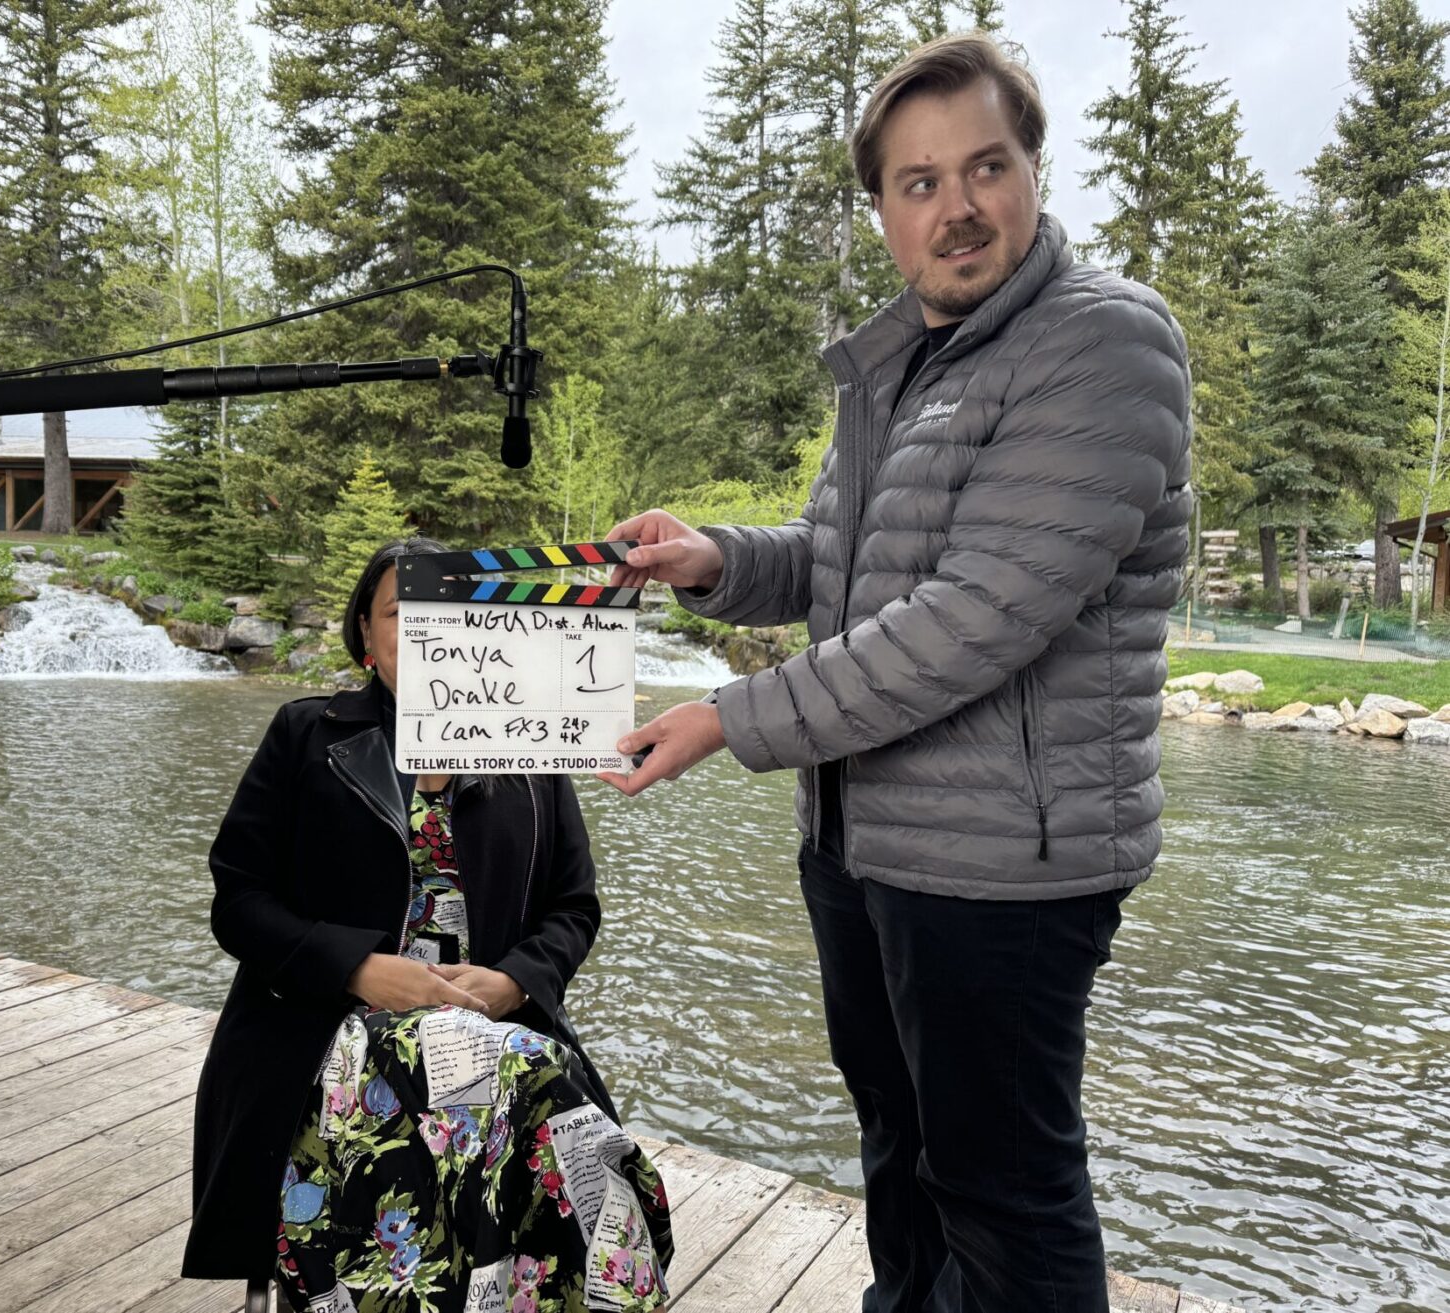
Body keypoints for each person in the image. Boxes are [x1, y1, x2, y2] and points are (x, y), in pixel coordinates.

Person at [599, 32, 1192, 1313]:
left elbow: (970, 616)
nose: (957, 206)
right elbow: (851, 561)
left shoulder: (1103, 344)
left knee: (1004, 1188)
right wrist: (715, 562)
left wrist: (727, 715)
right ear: (881, 211)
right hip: (863, 843)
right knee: (902, 1159)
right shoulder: (900, 368)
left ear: (1032, 169)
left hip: (1002, 869)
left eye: (985, 166)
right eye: (918, 182)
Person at [183, 538, 672, 1312]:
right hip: (328, 1035)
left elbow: (573, 906)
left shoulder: (532, 749)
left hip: (496, 1030)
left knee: (542, 1095)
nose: (424, 629)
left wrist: (515, 980)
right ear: (367, 638)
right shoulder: (306, 736)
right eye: (400, 612)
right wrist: (356, 967)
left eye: (446, 611)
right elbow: (238, 900)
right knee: (527, 1080)